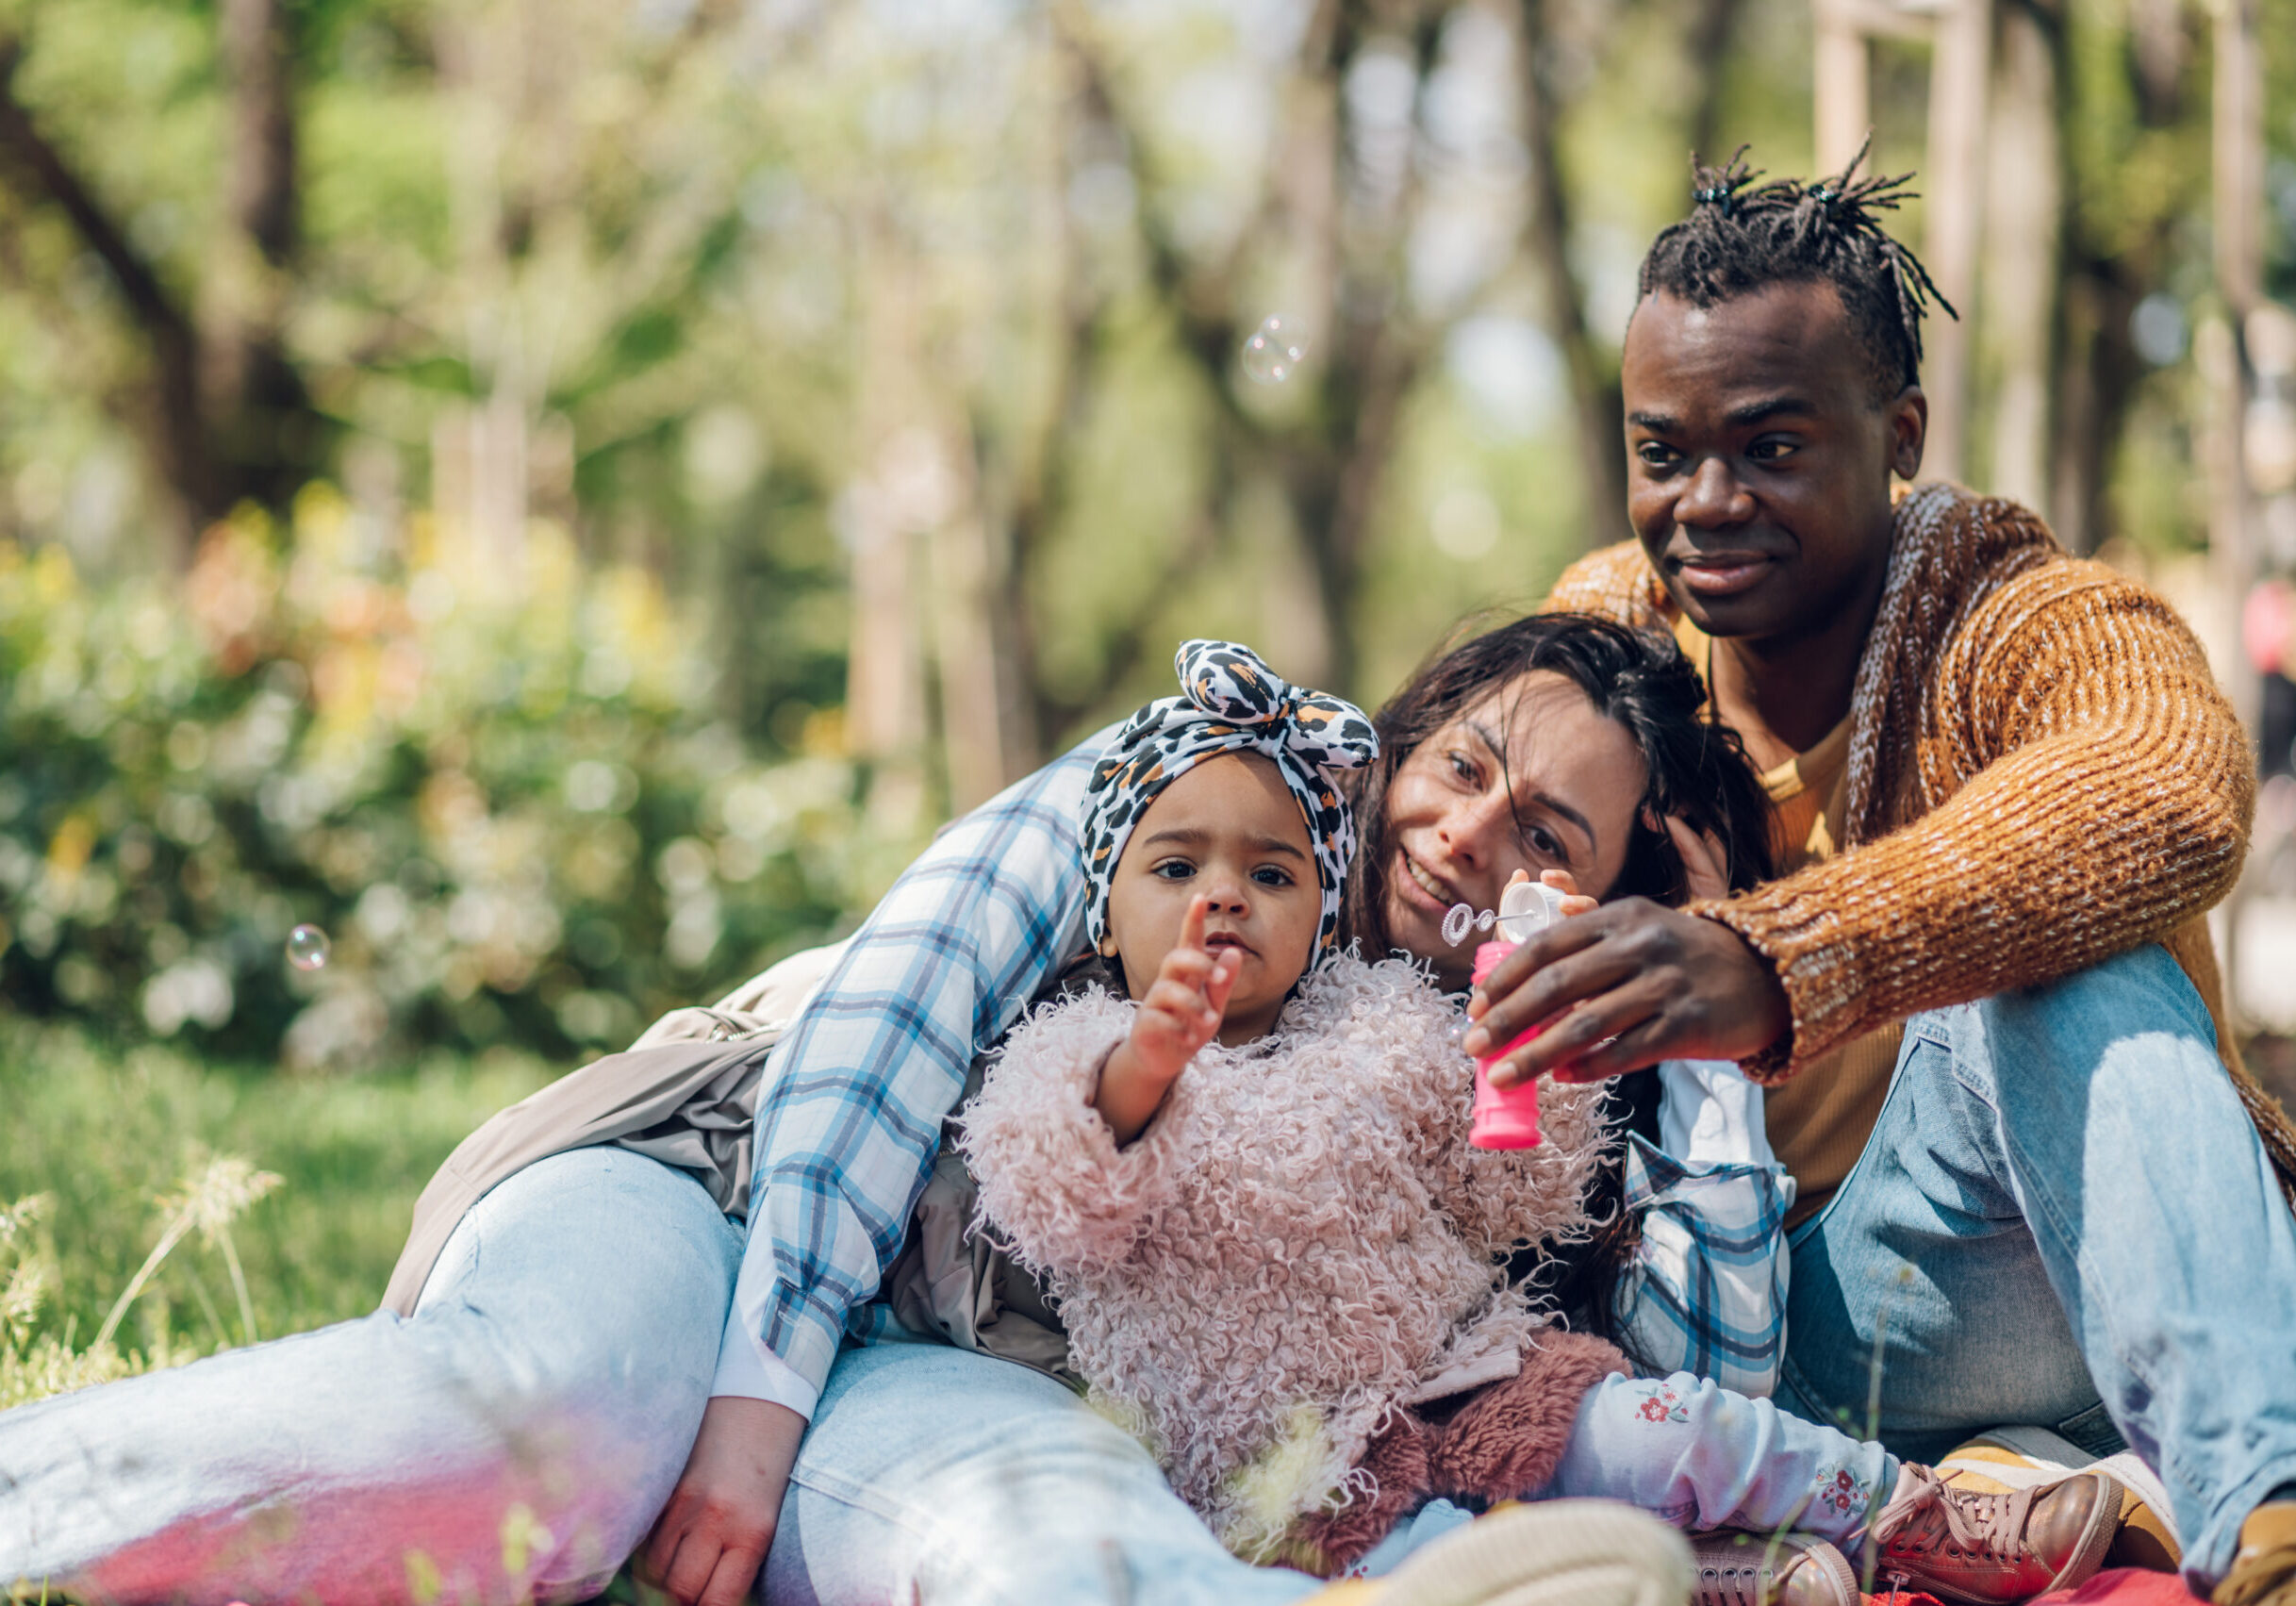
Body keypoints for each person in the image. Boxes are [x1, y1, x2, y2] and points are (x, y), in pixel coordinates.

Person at [1456, 151, 2296, 1606]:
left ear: (1894, 431)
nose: (1705, 501)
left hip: (1991, 1271)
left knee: (2070, 953)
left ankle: (2263, 1521)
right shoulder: (1599, 651)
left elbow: (2165, 783)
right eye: (1662, 450)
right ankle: (1957, 1496)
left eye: (1771, 447)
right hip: (1704, 1328)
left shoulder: (2013, 613)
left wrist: (1780, 958)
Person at [945, 638, 2123, 1597]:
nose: (1465, 836)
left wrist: (1629, 1027)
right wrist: (1140, 1068)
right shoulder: (1127, 973)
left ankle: (1913, 1514)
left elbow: (1696, 1348)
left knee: (1648, 1423)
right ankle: (1715, 1573)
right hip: (1284, 1475)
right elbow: (1051, 1174)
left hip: (1474, 1389)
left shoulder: (1423, 1043)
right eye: (1461, 769)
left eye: (1543, 839)